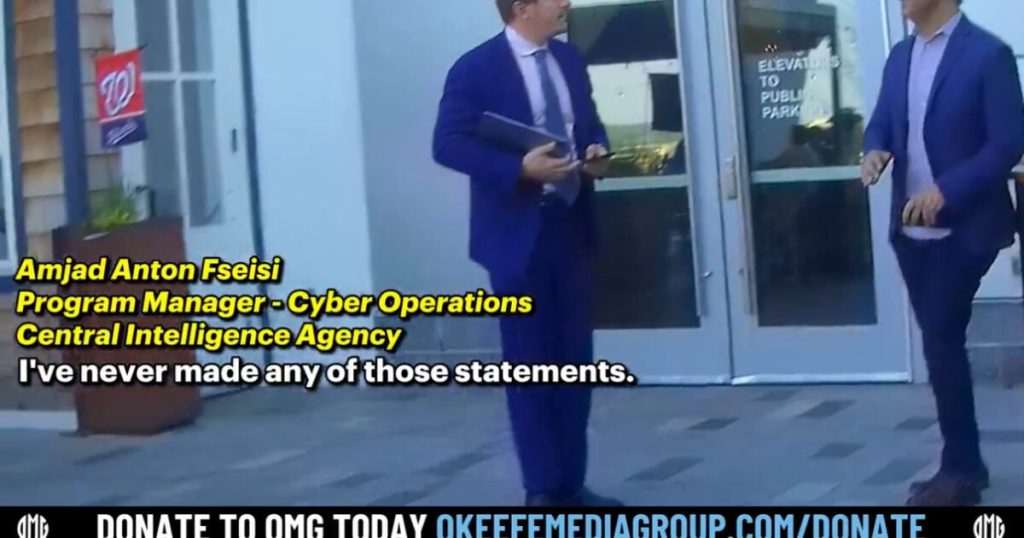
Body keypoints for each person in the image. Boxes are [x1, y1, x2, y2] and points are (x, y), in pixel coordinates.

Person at [431, 0, 621, 507]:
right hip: (517, 238)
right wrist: (519, 169)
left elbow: (589, 126)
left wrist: (597, 151)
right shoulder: (475, 68)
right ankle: (542, 490)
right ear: (522, 8)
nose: (566, 3)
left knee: (574, 364)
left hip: (572, 228)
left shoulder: (570, 60)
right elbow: (447, 144)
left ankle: (571, 484)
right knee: (531, 365)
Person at [861, 0, 1024, 506]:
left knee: (940, 338)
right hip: (911, 232)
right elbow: (882, 121)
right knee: (940, 342)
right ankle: (966, 463)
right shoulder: (899, 56)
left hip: (968, 229)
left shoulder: (988, 55)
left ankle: (961, 472)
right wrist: (874, 149)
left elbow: (1007, 144)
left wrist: (947, 190)